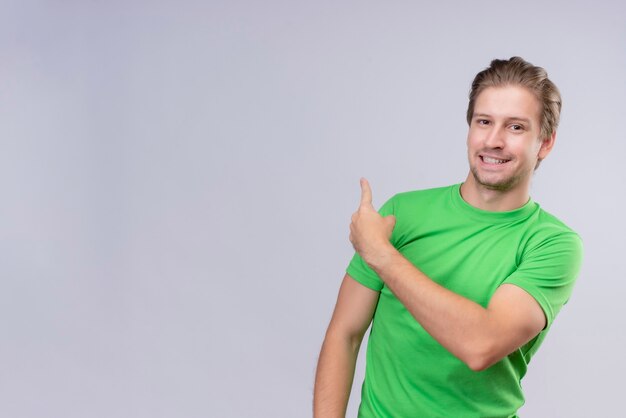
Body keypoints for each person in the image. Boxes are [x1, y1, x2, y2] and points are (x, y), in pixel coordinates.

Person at [313, 57, 583, 418]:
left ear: (545, 143)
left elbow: (481, 345)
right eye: (483, 122)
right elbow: (344, 335)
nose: (493, 140)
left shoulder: (552, 244)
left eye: (515, 127)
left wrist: (381, 254)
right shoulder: (401, 215)